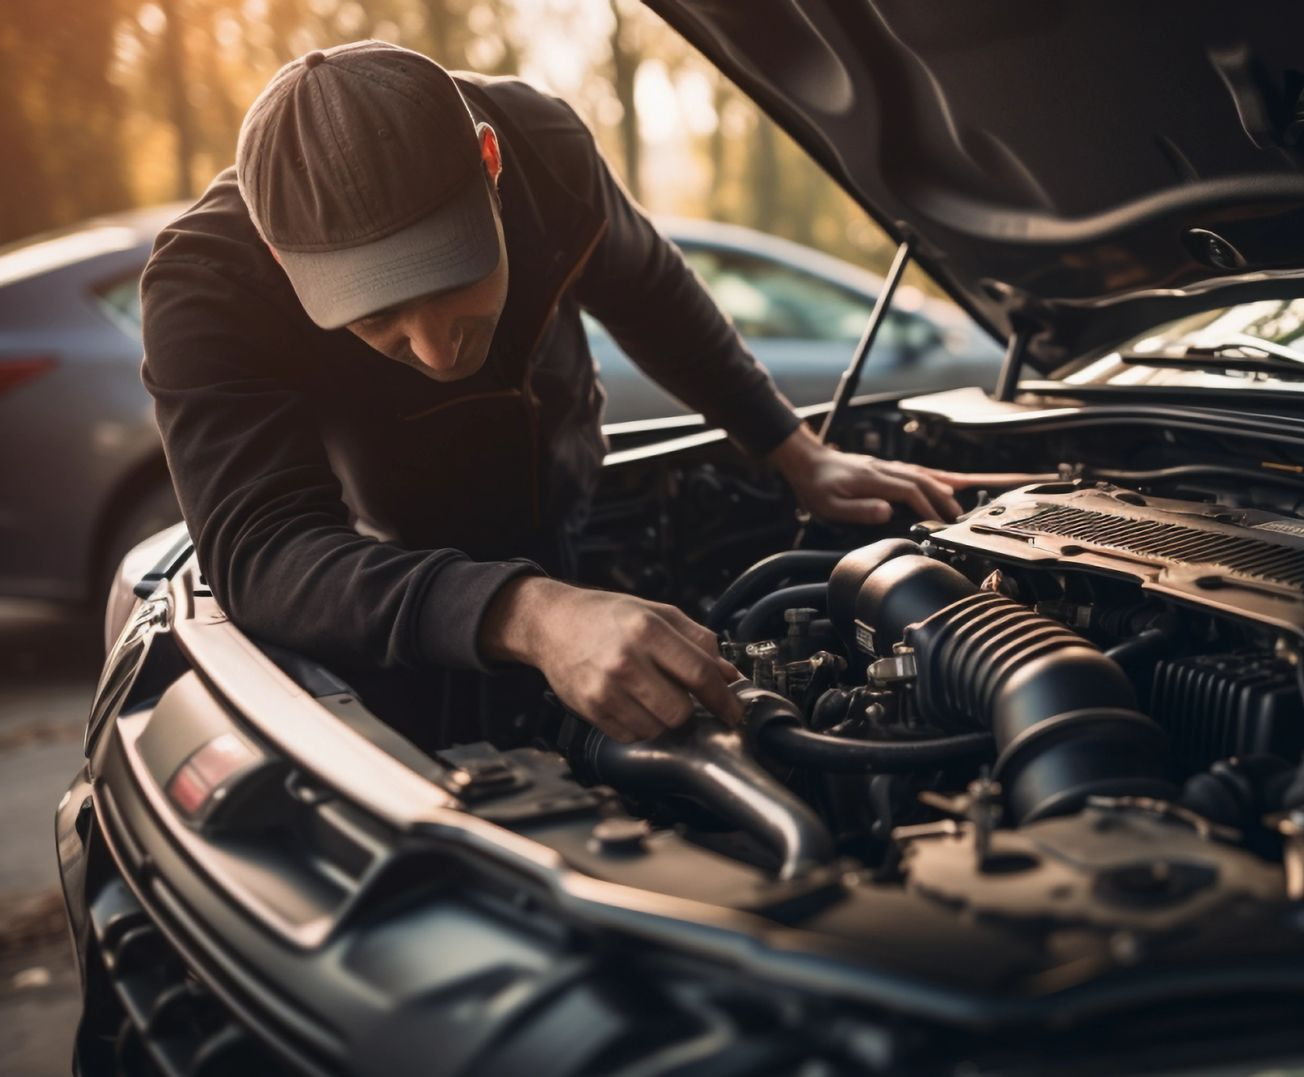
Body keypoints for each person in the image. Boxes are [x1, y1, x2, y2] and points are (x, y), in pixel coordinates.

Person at [141, 40, 996, 746]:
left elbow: (652, 291)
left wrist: (794, 450)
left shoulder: (543, 148)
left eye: (453, 277)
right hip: (380, 586)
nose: (439, 351)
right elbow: (264, 548)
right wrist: (528, 613)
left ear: (490, 161)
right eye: (379, 317)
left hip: (564, 501)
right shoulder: (205, 281)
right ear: (283, 257)